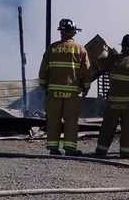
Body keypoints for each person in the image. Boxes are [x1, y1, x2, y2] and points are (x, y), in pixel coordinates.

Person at [38, 18, 90, 156]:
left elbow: (43, 70)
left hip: (54, 92)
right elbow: (86, 72)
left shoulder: (52, 48)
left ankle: (53, 148)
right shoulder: (80, 49)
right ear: (73, 32)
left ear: (61, 32)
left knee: (53, 120)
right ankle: (70, 148)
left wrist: (44, 86)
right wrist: (85, 87)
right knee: (71, 121)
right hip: (72, 93)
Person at [94, 34, 129, 158]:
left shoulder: (113, 59)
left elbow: (100, 63)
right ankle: (125, 152)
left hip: (113, 102)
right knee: (128, 129)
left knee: (108, 127)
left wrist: (104, 51)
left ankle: (101, 150)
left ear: (123, 47)